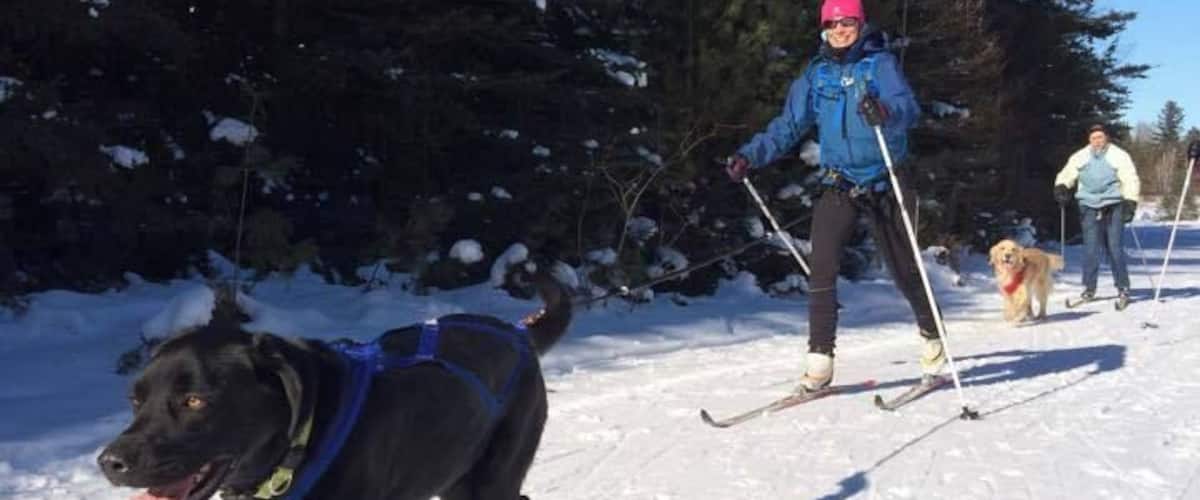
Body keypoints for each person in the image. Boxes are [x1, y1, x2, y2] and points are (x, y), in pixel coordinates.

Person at [724, 0, 940, 392]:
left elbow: (909, 107)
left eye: (849, 22)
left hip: (885, 179)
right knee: (821, 267)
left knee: (905, 269)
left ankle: (933, 343)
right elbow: (788, 125)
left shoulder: (880, 64)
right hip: (840, 181)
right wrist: (749, 155)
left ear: (860, 24)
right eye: (834, 23)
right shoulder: (816, 74)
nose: (842, 29)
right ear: (824, 27)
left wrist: (885, 110)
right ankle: (819, 362)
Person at [1053, 124, 1141, 309]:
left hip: (1113, 204)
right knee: (1090, 249)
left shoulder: (1119, 155)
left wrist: (1130, 202)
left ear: (1106, 138)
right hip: (1088, 205)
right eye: (1093, 138)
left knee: (1115, 248)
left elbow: (1130, 178)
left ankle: (1123, 287)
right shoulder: (1080, 156)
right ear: (1089, 140)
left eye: (1100, 137)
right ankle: (1089, 288)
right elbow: (1067, 173)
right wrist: (1061, 186)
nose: (1097, 141)